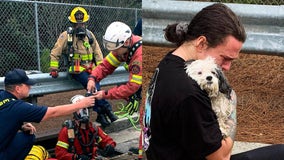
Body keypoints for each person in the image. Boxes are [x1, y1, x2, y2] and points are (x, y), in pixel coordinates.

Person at [143, 3, 284, 160]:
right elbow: (222, 157)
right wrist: (231, 102)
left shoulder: (167, 65)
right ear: (201, 43)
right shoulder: (189, 92)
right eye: (225, 58)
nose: (228, 67)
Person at [0, 68, 95, 160]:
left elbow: (6, 116)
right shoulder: (18, 107)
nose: (30, 87)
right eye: (27, 85)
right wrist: (81, 104)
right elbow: (53, 112)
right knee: (29, 137)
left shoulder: (2, 95)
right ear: (18, 88)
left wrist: (20, 127)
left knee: (24, 134)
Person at [49, 6, 117, 127]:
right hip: (77, 71)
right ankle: (108, 110)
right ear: (72, 23)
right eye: (77, 24)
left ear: (85, 22)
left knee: (93, 87)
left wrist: (100, 69)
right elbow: (55, 52)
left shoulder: (90, 35)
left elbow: (98, 53)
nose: (80, 26)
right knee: (93, 87)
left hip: (92, 70)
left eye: (82, 23)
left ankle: (101, 114)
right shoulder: (66, 36)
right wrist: (54, 68)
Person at [87, 21, 142, 116]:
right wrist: (92, 78)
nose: (113, 51)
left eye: (115, 47)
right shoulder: (122, 49)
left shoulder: (139, 56)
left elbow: (132, 86)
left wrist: (105, 94)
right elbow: (105, 66)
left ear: (127, 42)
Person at [55, 95, 116, 160]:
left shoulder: (93, 128)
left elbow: (108, 141)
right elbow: (60, 154)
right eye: (80, 108)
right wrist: (76, 157)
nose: (84, 111)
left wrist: (110, 147)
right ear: (74, 111)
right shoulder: (67, 131)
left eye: (85, 108)